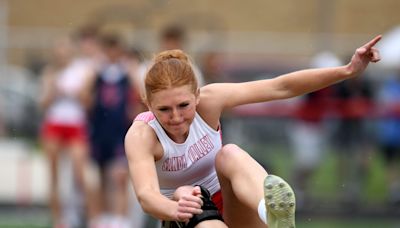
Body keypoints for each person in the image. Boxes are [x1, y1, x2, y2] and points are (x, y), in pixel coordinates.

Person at [124, 35, 381, 228]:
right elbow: (146, 195)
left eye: (183, 105)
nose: (176, 117)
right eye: (164, 109)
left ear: (197, 95)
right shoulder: (142, 135)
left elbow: (280, 87)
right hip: (185, 215)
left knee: (229, 154)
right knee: (187, 193)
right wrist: (175, 208)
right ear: (147, 103)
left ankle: (270, 212)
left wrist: (348, 71)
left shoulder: (210, 101)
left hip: (233, 206)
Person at [80, 33, 144, 227]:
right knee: (99, 177)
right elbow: (84, 97)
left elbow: (141, 94)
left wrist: (131, 70)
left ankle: (120, 218)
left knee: (119, 176)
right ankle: (99, 218)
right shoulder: (98, 73)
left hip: (119, 131)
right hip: (100, 131)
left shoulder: (125, 74)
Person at [38, 36, 93, 228]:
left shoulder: (82, 72)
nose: (62, 53)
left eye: (65, 49)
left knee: (80, 172)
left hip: (75, 124)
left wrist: (77, 94)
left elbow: (87, 102)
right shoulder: (50, 72)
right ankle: (58, 220)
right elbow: (43, 103)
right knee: (54, 174)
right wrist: (53, 89)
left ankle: (86, 215)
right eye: (59, 50)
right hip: (55, 123)